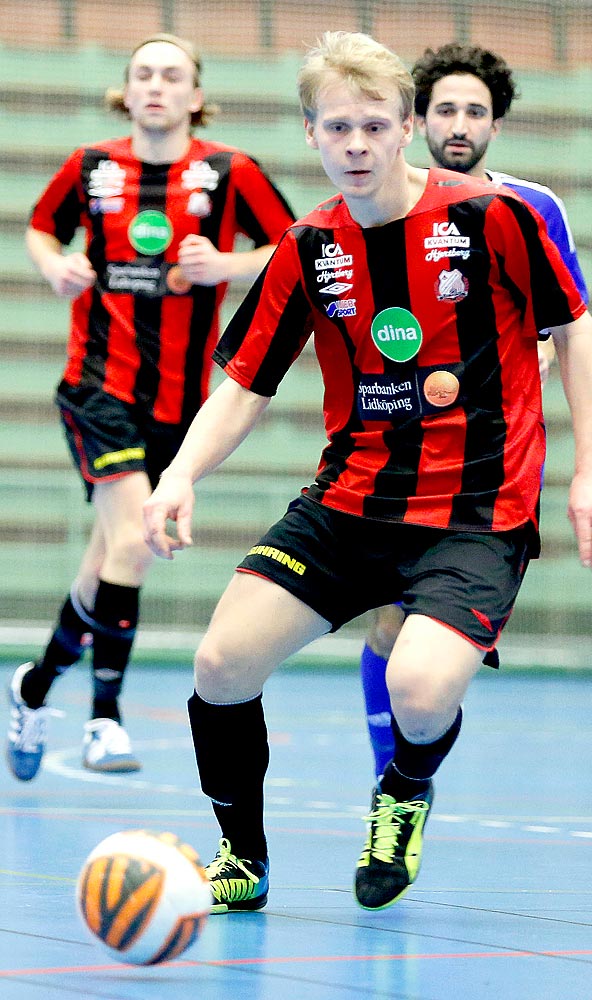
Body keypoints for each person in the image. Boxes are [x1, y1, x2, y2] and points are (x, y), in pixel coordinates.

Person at [141, 31, 592, 914]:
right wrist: (179, 475)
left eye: (372, 126)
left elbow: (575, 330)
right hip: (350, 503)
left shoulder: (491, 218)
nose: (355, 145)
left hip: (477, 511)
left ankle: (402, 787)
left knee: (419, 687)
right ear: (312, 136)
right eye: (336, 129)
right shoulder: (306, 248)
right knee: (219, 668)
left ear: (407, 128)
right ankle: (242, 856)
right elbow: (243, 385)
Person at [10, 33, 293, 781]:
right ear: (127, 93)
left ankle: (34, 684)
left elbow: (292, 246)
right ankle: (105, 720)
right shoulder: (92, 167)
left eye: (173, 75)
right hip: (97, 387)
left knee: (107, 560)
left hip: (179, 405)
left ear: (195, 95)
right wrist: (56, 266)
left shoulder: (232, 172)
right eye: (144, 75)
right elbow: (41, 227)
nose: (158, 86)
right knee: (133, 544)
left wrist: (229, 263)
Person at [358, 42, 592, 778]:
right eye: (446, 110)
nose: (459, 125)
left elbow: (568, 319)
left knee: (428, 633)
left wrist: (541, 355)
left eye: (475, 112)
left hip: (489, 460)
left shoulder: (531, 207)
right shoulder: (377, 203)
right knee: (385, 624)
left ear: (496, 123)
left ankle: (406, 774)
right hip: (393, 446)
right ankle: (387, 778)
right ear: (417, 119)